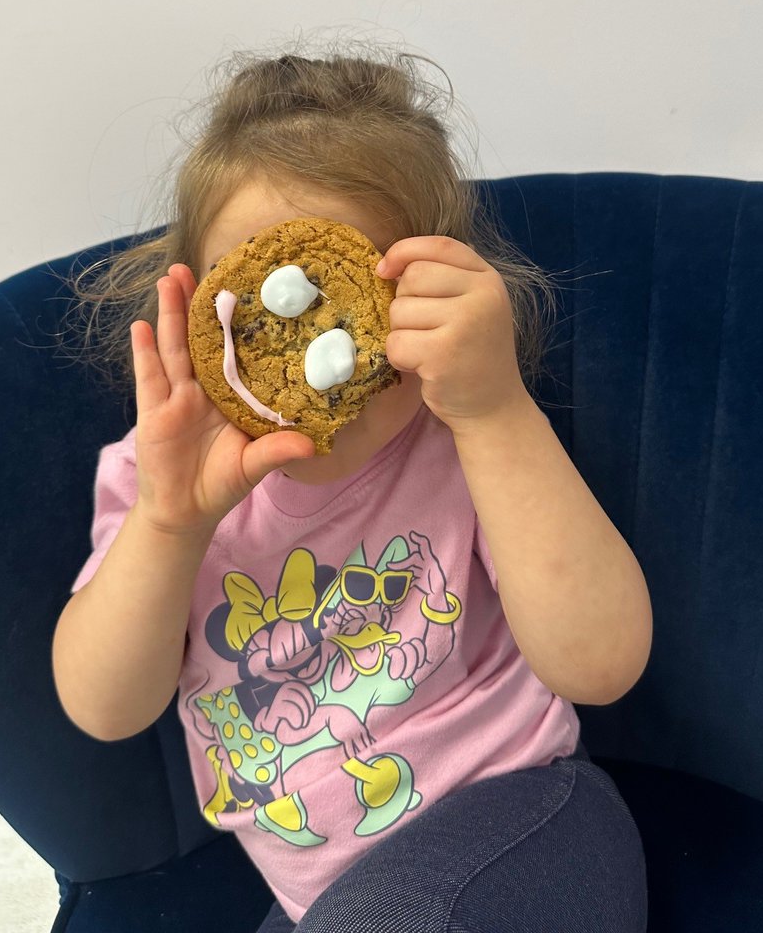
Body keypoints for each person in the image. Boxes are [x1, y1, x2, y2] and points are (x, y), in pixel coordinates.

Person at [53, 48, 652, 932]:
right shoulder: (161, 479)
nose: (313, 362)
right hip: (320, 898)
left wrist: (494, 411)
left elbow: (602, 665)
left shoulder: (464, 437)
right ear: (197, 314)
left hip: (525, 820)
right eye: (259, 318)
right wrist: (171, 524)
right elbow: (103, 707)